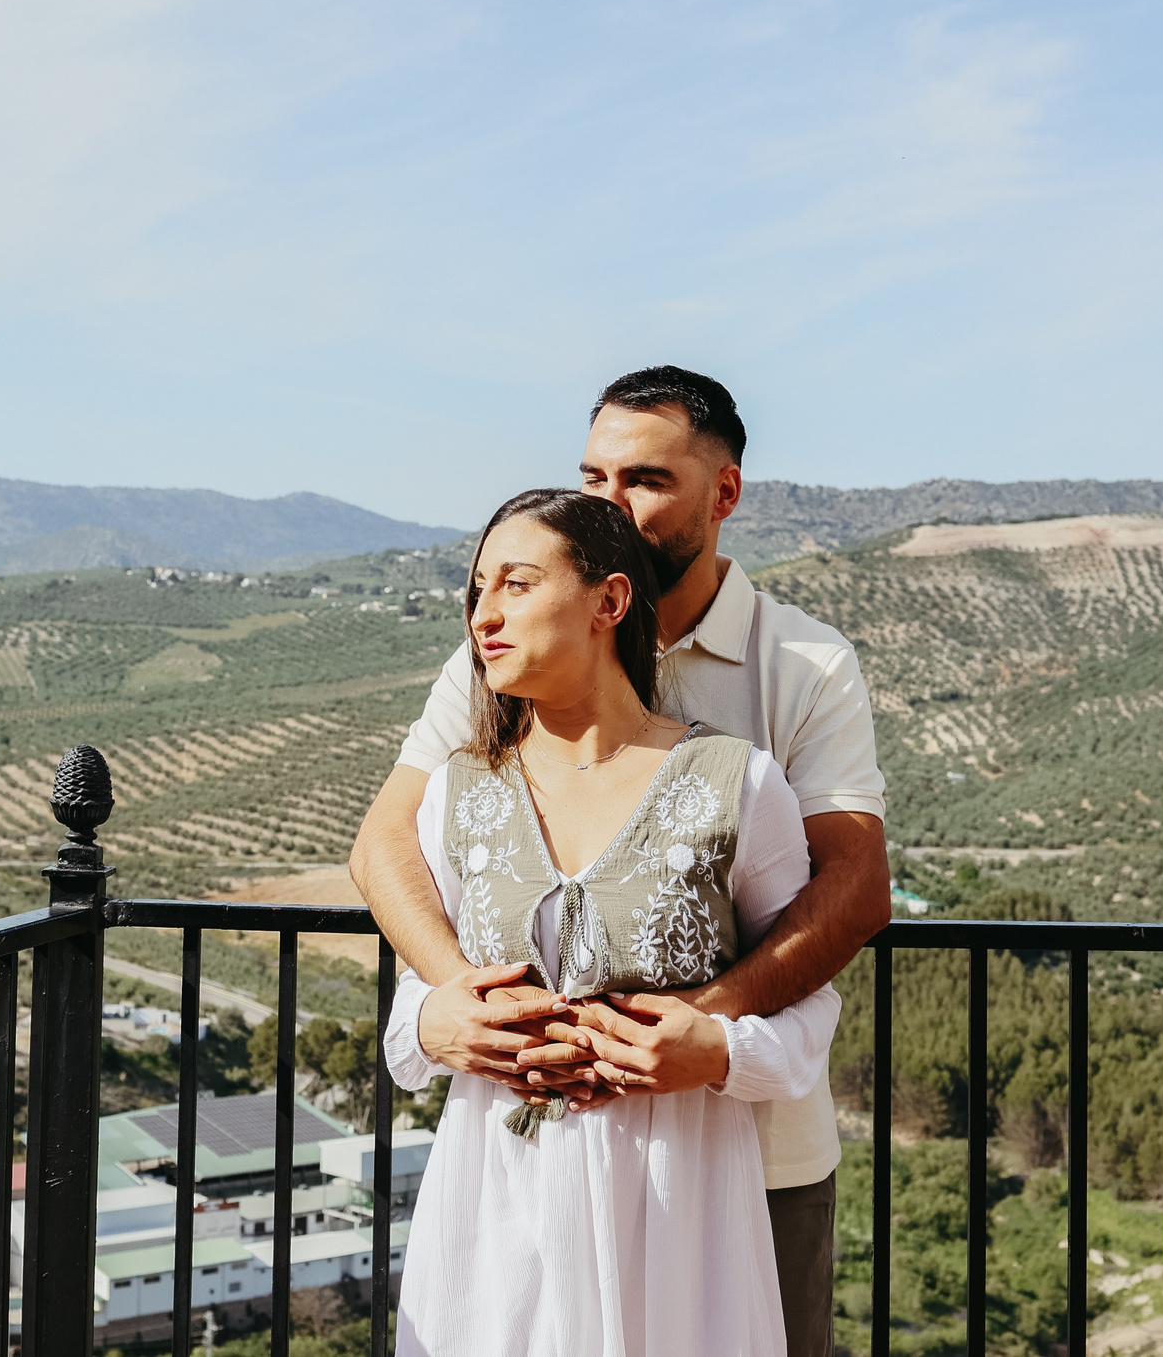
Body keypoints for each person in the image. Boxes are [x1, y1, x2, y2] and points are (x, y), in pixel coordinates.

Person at [351, 366, 891, 1357]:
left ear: (722, 494)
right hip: (524, 1164)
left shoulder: (804, 666)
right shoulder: (504, 657)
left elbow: (852, 887)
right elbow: (389, 838)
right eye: (593, 475)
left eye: (643, 479)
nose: (609, 503)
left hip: (743, 1157)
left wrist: (693, 1035)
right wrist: (458, 1000)